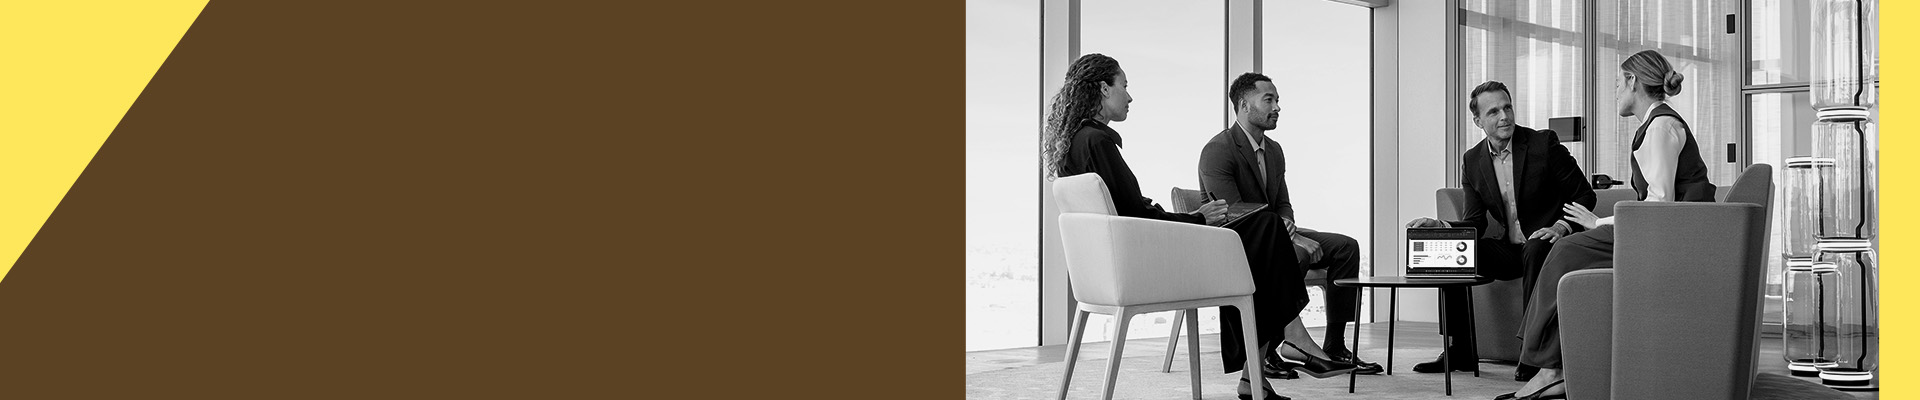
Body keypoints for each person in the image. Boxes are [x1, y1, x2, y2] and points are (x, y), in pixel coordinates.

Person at [1042, 53, 1303, 400]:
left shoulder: (1073, 144)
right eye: (1124, 86)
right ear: (1104, 89)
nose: (1130, 96)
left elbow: (1125, 211)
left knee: (1261, 235)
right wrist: (1199, 218)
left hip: (1110, 270)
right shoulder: (1097, 142)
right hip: (1146, 267)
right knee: (1265, 230)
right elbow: (1136, 213)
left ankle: (1261, 367)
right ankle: (1288, 343)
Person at [1496, 50, 1715, 400]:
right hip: (1662, 230)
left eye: (1617, 83)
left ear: (1633, 82)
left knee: (1565, 250)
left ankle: (1548, 368)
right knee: (1565, 253)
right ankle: (1551, 366)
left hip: (1665, 235)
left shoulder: (1660, 126)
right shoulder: (1657, 123)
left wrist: (1597, 221)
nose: (1615, 92)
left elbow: (1659, 204)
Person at [1405, 81, 1597, 380]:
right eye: (1493, 111)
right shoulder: (1472, 160)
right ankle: (1461, 349)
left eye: (1507, 107)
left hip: (1549, 243)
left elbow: (1585, 194)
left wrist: (1560, 226)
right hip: (1509, 250)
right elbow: (1475, 222)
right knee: (1451, 250)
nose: (1504, 116)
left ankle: (1533, 353)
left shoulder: (1543, 144)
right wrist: (1441, 226)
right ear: (1478, 121)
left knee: (1535, 246)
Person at [1199, 72, 1382, 379]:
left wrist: (1290, 231)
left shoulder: (1274, 150)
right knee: (1293, 255)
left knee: (1346, 247)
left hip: (1277, 232)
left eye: (1278, 100)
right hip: (1242, 242)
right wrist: (1292, 241)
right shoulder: (1219, 150)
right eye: (1268, 100)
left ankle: (1335, 345)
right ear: (1244, 105)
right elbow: (1235, 215)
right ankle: (1269, 351)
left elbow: (1282, 203)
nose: (1277, 107)